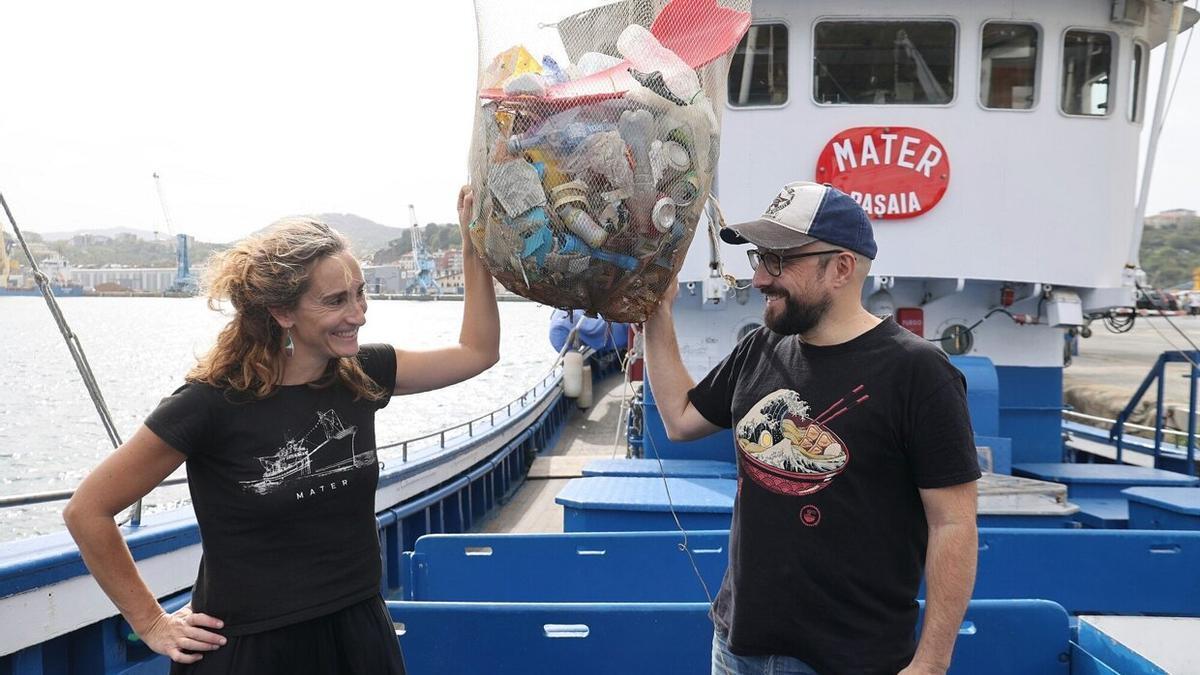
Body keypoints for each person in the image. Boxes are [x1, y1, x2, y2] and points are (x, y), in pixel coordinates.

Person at [63, 186, 499, 674]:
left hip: (357, 634)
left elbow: (477, 352)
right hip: (251, 652)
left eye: (360, 294)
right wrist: (151, 621)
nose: (357, 314)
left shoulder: (363, 373)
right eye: (335, 301)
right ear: (282, 312)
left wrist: (470, 246)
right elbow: (88, 511)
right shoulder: (211, 403)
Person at [644, 181, 980, 675]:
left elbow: (953, 523)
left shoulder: (919, 372)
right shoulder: (759, 349)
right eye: (760, 257)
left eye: (779, 260)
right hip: (738, 649)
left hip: (852, 661)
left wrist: (930, 663)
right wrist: (656, 310)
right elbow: (679, 418)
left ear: (841, 267)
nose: (759, 278)